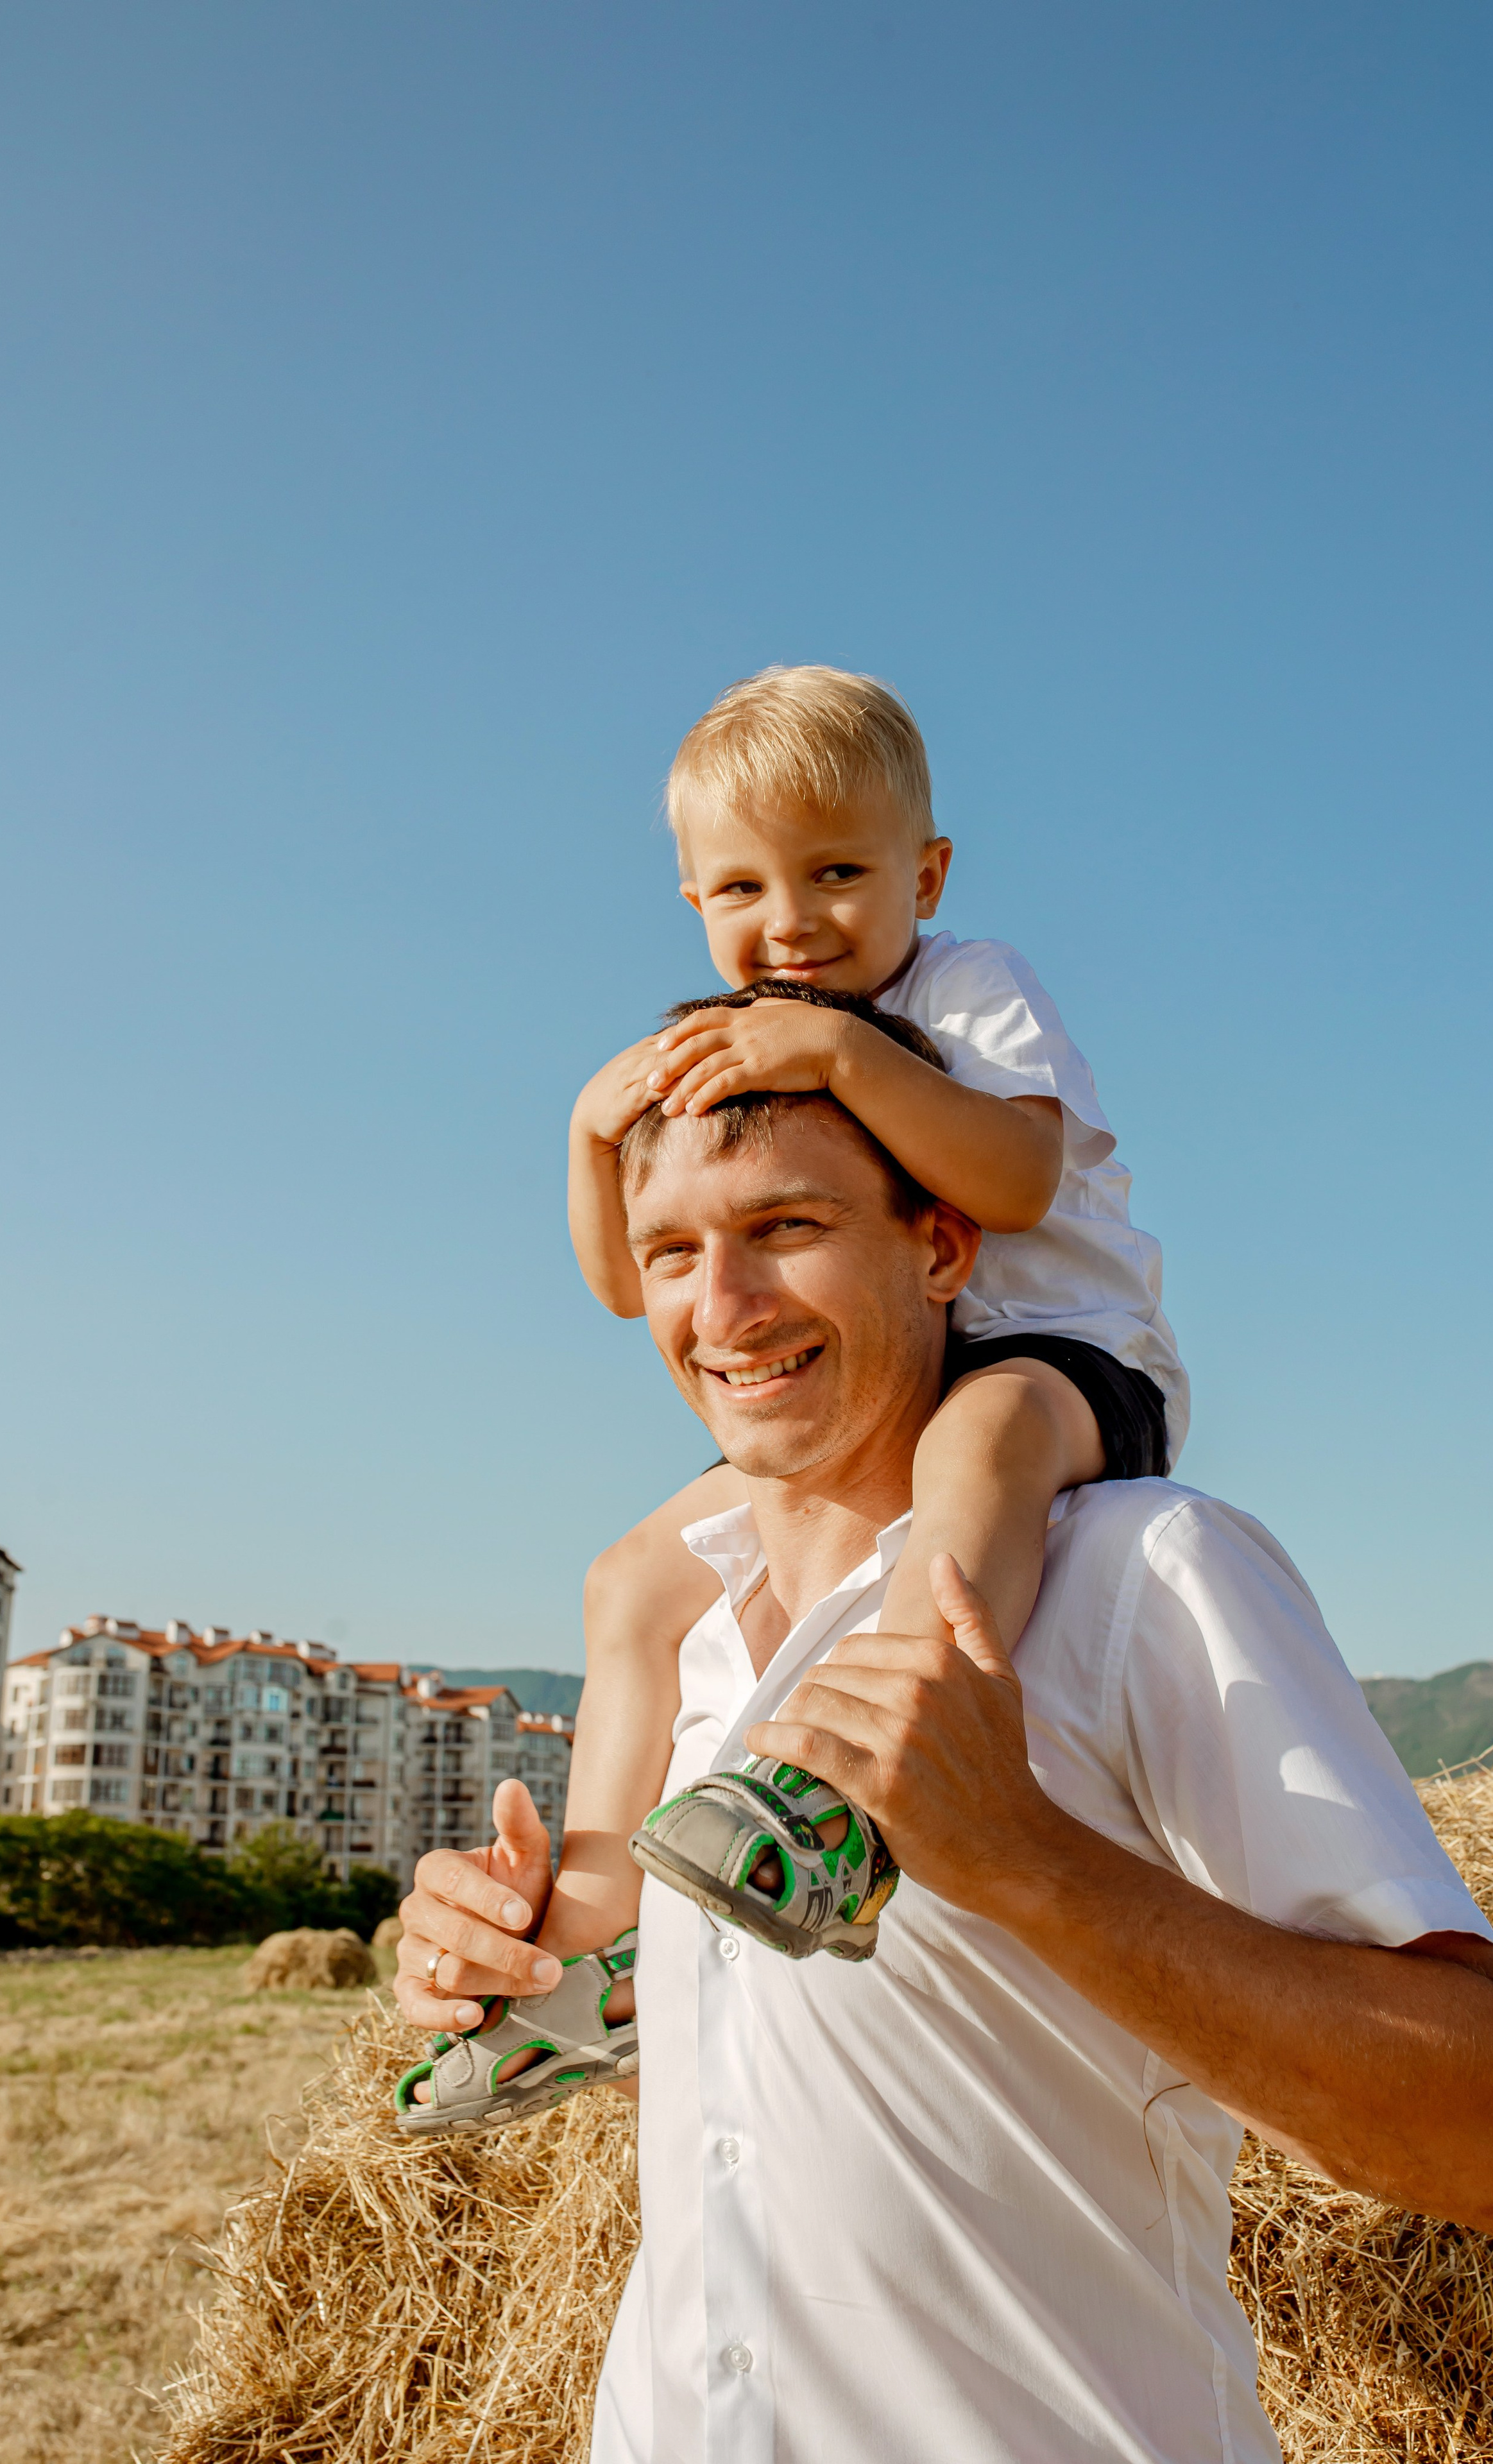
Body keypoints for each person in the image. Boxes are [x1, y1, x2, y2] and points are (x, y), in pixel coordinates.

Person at [395, 1070, 1493, 2461]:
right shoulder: (692, 1657)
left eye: (784, 1225)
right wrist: (501, 1971)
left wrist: (1026, 1863)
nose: (718, 1309)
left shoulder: (1140, 1578)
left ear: (941, 1247)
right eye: (670, 1251)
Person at [563, 663, 1186, 1958]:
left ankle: (852, 1794)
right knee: (631, 1580)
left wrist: (840, 1054)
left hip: (1054, 1355)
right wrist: (585, 1134)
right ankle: (588, 1933)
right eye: (741, 888)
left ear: (926, 878)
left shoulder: (964, 991)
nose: (789, 923)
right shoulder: (729, 1044)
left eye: (835, 874)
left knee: (976, 1448)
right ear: (692, 900)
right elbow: (631, 1286)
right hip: (868, 1383)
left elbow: (1017, 1182)